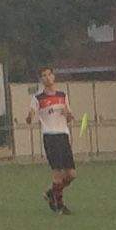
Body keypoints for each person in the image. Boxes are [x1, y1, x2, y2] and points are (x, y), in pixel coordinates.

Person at [33, 72, 80, 214]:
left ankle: (50, 193)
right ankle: (59, 204)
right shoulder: (37, 98)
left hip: (63, 136)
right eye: (44, 75)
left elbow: (70, 117)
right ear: (41, 79)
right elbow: (31, 113)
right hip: (50, 137)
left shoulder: (62, 96)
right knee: (57, 173)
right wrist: (29, 116)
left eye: (49, 74)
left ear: (53, 77)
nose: (47, 77)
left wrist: (69, 115)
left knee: (71, 174)